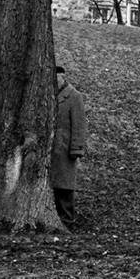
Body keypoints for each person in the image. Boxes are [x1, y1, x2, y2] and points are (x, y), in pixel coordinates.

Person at [50, 66, 88, 229]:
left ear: (63, 78)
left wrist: (76, 149)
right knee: (53, 186)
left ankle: (67, 220)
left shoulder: (74, 97)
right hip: (50, 149)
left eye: (57, 78)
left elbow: (79, 125)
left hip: (65, 150)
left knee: (64, 187)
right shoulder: (47, 94)